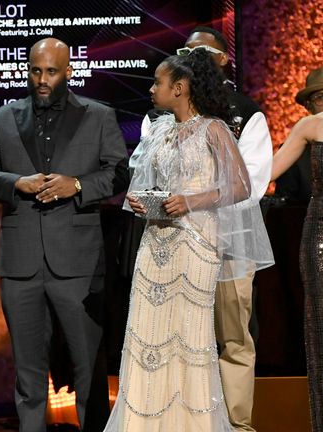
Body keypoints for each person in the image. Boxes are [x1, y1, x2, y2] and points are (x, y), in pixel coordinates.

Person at [106, 48, 273, 431]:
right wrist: (142, 200)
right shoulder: (161, 129)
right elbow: (149, 181)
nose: (151, 90)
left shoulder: (214, 128)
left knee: (189, 337)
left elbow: (240, 185)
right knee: (148, 333)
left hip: (196, 242)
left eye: (158, 83)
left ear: (179, 88)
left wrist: (191, 201)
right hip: (156, 242)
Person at [0, 37, 129, 432]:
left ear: (68, 71)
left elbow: (119, 172)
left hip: (78, 260)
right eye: (35, 70)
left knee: (87, 369)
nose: (42, 79)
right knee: (28, 375)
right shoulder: (3, 118)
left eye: (51, 71)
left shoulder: (98, 116)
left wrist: (76, 186)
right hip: (21, 262)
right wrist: (18, 183)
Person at [270, 65, 323, 432]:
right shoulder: (308, 128)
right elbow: (264, 174)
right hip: (320, 238)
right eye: (315, 99)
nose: (318, 104)